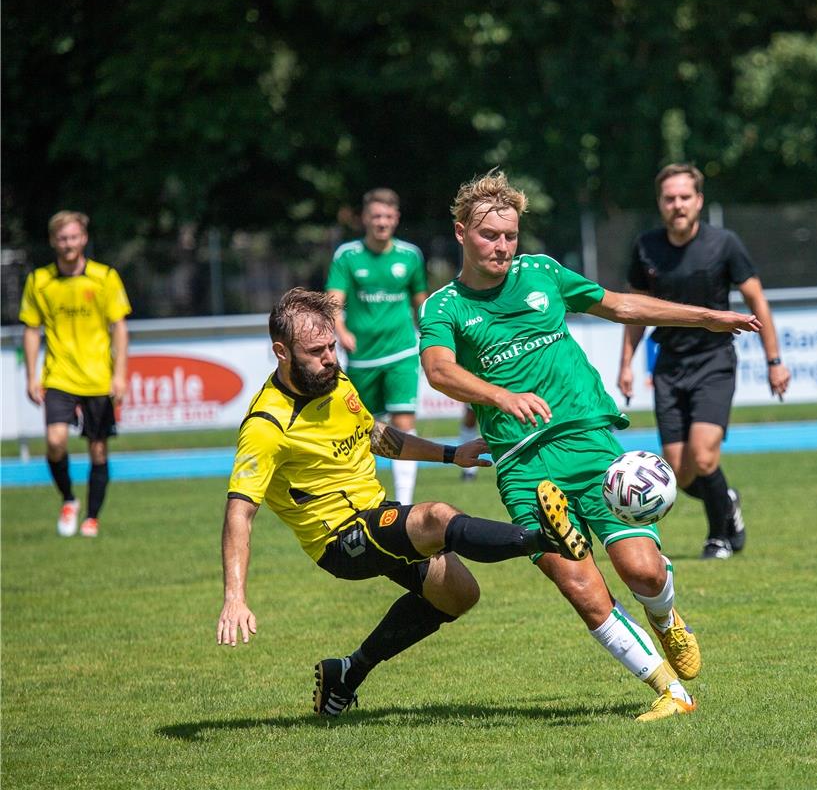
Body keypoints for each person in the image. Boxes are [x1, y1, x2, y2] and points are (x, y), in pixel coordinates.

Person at [420, 170, 763, 721]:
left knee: (642, 570)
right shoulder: (444, 307)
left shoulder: (542, 273)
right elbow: (439, 371)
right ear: (461, 233)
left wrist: (708, 318)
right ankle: (671, 692)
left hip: (587, 444)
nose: (503, 246)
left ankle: (667, 616)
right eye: (490, 236)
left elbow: (622, 305)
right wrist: (501, 397)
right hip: (522, 467)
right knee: (580, 585)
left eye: (510, 235)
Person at [216, 288, 589, 717]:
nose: (331, 358)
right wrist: (234, 597)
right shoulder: (266, 426)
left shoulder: (333, 381)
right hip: (340, 540)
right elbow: (239, 513)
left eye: (333, 346)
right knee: (436, 517)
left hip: (375, 514)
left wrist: (451, 454)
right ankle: (544, 537)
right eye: (316, 351)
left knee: (459, 595)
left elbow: (377, 435)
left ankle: (347, 673)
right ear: (282, 352)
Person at [617, 163, 790, 561]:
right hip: (669, 366)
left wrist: (774, 360)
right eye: (669, 198)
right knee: (679, 471)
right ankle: (726, 498)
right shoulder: (646, 246)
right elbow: (635, 311)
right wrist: (626, 364)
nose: (677, 205)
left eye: (684, 197)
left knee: (704, 455)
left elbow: (757, 301)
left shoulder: (724, 244)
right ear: (660, 204)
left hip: (713, 362)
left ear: (699, 201)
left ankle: (719, 536)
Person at [20, 210, 131, 538]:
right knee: (55, 441)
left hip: (98, 377)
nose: (68, 243)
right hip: (59, 377)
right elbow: (30, 329)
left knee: (98, 449)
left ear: (83, 238)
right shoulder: (40, 281)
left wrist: (120, 374)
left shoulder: (104, 277)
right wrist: (31, 375)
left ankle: (92, 518)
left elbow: (119, 327)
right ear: (53, 241)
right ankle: (69, 499)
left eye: (73, 237)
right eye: (62, 238)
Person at [326, 188, 429, 505]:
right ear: (365, 219)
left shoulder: (410, 256)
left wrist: (431, 338)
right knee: (359, 429)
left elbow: (420, 303)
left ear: (396, 219)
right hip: (362, 359)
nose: (381, 222)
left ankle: (405, 503)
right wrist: (340, 328)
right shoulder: (347, 256)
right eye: (375, 216)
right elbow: (333, 299)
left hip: (401, 352)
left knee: (403, 421)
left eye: (387, 216)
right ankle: (357, 495)